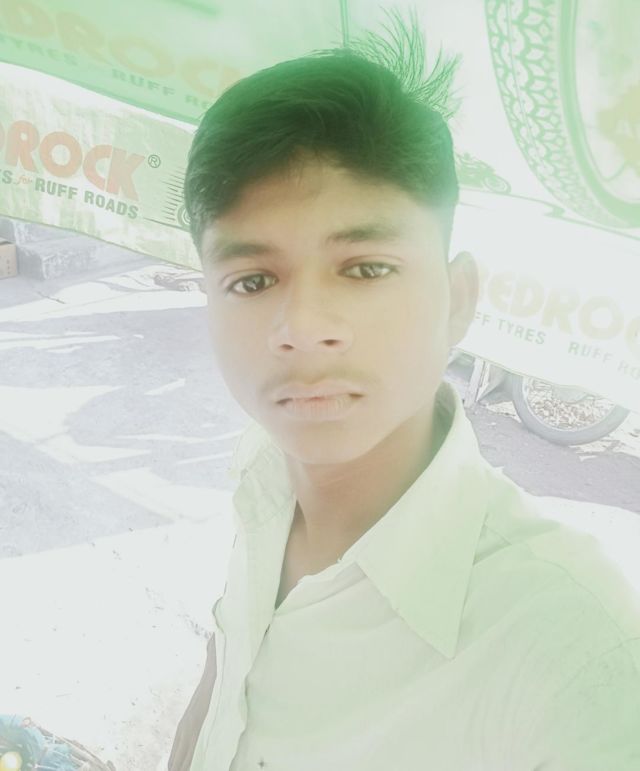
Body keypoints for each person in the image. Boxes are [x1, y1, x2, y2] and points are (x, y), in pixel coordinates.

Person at [169, 15, 640, 771]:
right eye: (253, 281)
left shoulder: (577, 649)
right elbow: (226, 678)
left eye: (365, 268)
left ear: (458, 300)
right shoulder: (263, 473)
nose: (302, 328)